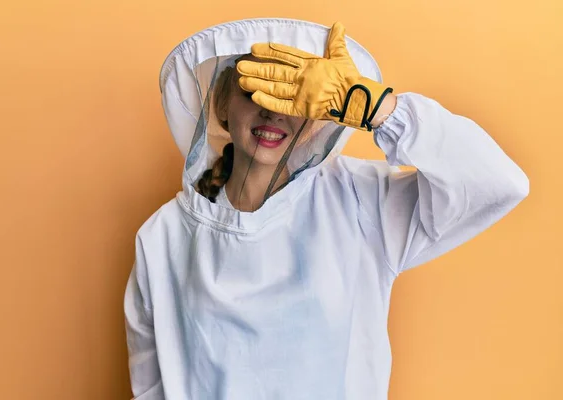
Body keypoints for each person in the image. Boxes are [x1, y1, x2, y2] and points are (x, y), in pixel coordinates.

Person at [124, 19, 529, 400]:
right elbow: (151, 388)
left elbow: (498, 184)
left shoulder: (359, 199)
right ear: (223, 104)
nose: (273, 110)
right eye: (255, 90)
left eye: (292, 95)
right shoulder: (162, 237)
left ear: (319, 114)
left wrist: (379, 110)